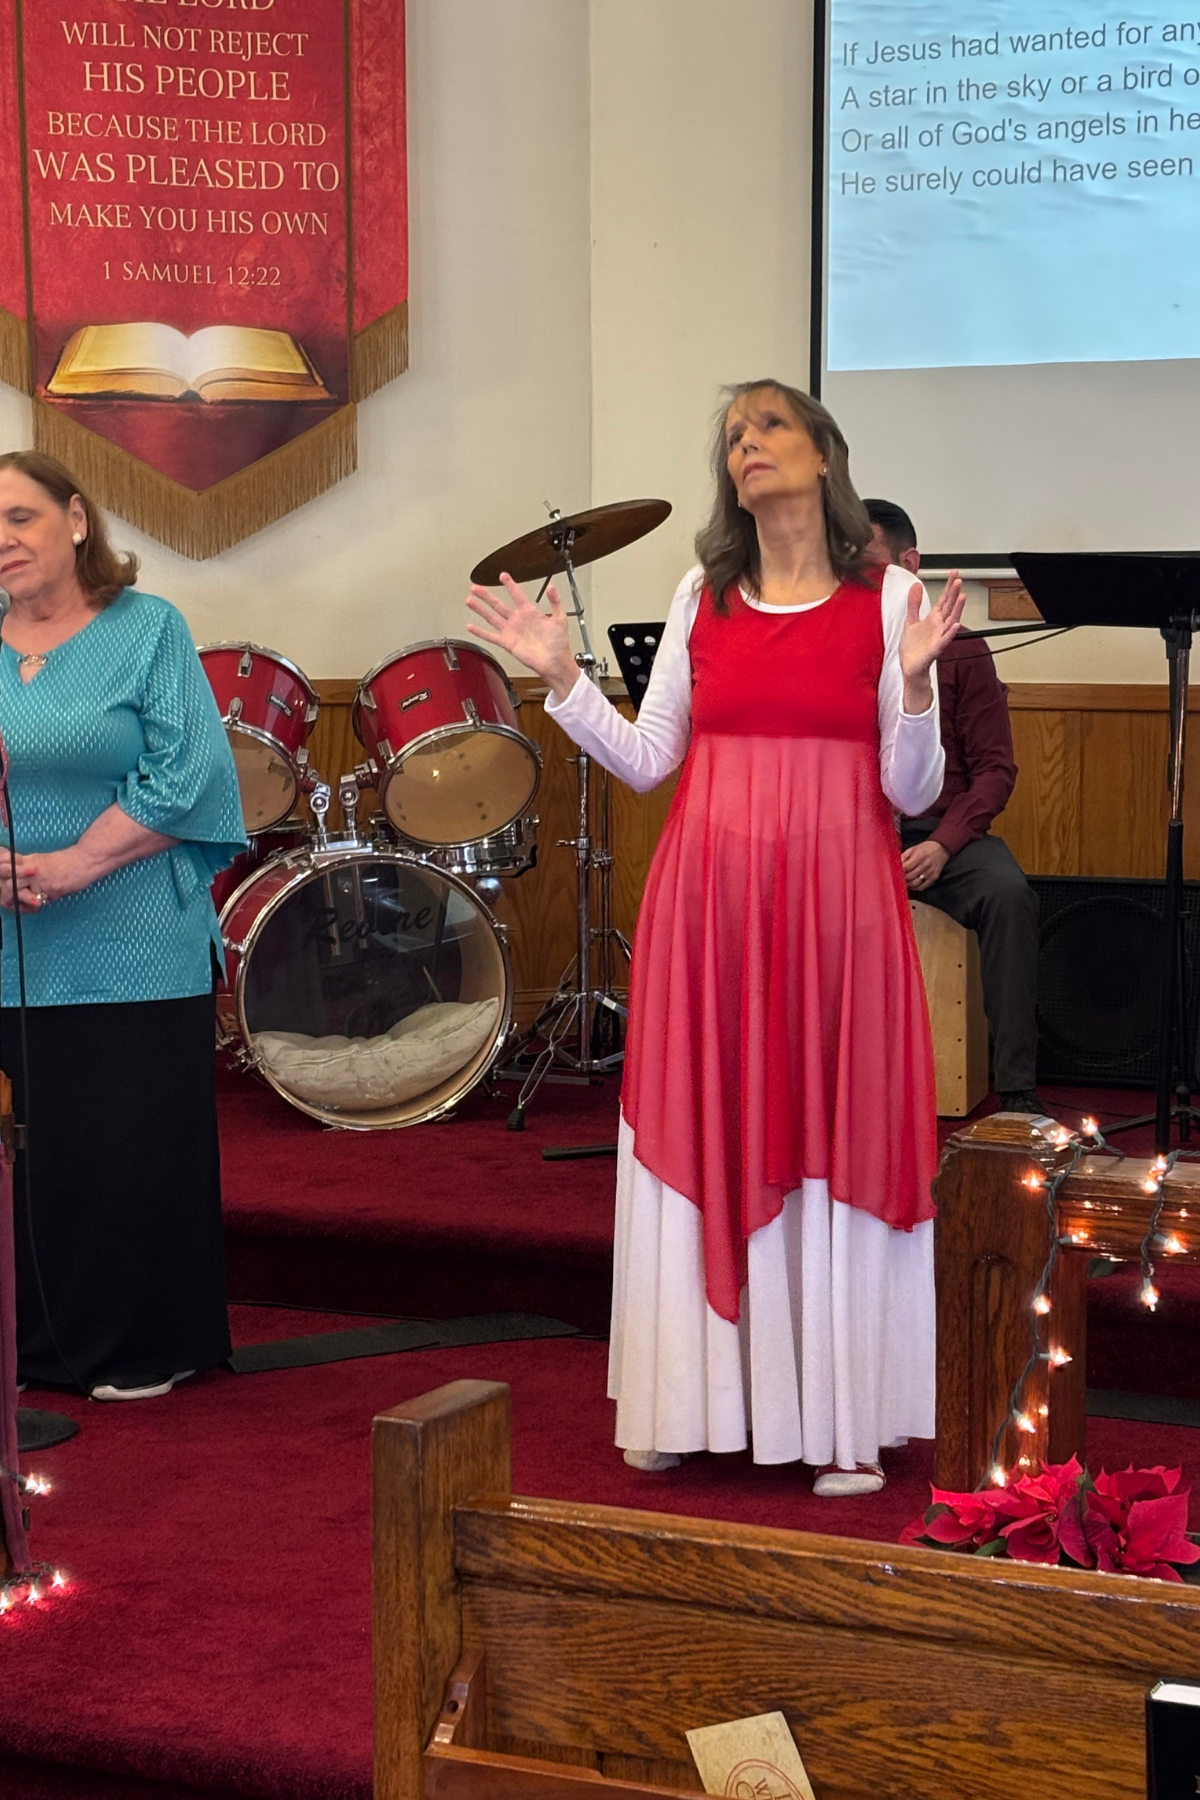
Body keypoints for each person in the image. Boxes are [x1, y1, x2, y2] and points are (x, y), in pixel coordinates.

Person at [468, 381, 964, 1495]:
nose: (748, 447)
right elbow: (650, 758)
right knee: (708, 1123)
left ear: (825, 456)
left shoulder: (889, 603)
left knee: (831, 1130)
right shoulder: (704, 592)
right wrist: (560, 680)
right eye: (734, 436)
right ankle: (692, 1402)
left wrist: (921, 686)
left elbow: (911, 784)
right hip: (712, 902)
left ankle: (841, 1421)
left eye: (771, 427)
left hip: (840, 902)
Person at [0, 450, 245, 1401]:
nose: (4, 541)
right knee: (32, 1154)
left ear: (74, 518)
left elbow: (190, 777)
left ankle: (138, 1344)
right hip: (13, 943)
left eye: (19, 517)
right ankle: (28, 1346)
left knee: (120, 1148)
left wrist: (68, 865)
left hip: (133, 938)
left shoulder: (148, 629)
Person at [864, 499, 1041, 1114]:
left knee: (1009, 895)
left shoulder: (964, 651)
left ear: (909, 565)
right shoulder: (841, 647)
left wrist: (946, 842)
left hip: (947, 832)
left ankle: (1016, 1092)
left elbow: (996, 769)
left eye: (868, 566)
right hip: (862, 834)